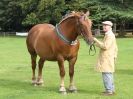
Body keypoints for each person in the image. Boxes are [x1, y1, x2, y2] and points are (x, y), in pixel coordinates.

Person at [93, 21, 118, 96]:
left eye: (106, 25)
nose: (104, 27)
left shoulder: (110, 35)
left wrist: (95, 40)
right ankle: (111, 90)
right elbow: (116, 47)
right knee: (109, 74)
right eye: (103, 25)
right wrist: (115, 56)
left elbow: (105, 46)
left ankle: (109, 91)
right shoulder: (109, 35)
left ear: (110, 27)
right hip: (108, 57)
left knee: (106, 74)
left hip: (107, 58)